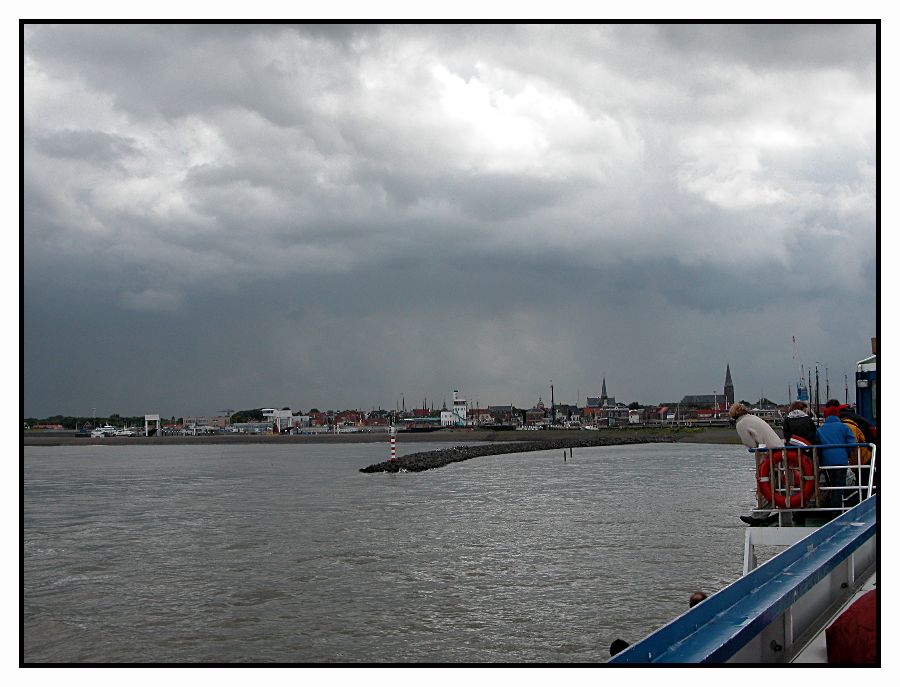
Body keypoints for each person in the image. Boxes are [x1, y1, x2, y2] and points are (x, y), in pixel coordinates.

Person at [730, 403, 782, 525]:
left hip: (767, 453)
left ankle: (760, 515)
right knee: (778, 482)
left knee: (764, 483)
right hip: (779, 450)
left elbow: (750, 444)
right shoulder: (753, 418)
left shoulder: (741, 423)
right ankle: (784, 509)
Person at [816, 403, 856, 509]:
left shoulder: (821, 429)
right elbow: (852, 442)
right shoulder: (844, 427)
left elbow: (817, 445)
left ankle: (832, 507)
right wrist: (847, 454)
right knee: (839, 485)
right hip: (841, 460)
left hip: (827, 462)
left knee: (832, 484)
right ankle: (837, 510)